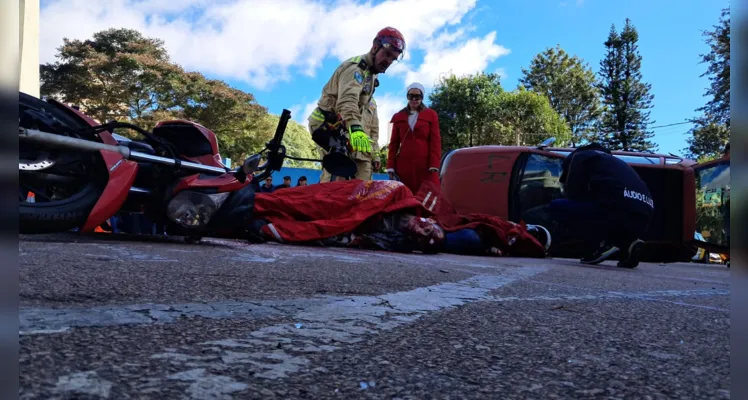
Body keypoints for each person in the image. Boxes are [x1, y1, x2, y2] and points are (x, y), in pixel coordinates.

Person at [308, 27, 405, 182]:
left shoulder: (370, 74)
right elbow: (347, 100)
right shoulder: (356, 69)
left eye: (393, 59)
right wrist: (355, 127)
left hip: (343, 124)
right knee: (338, 172)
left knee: (359, 176)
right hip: (327, 124)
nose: (388, 61)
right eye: (386, 54)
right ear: (375, 46)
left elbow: (370, 123)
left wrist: (374, 152)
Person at [550, 143, 654, 267]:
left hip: (616, 212)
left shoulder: (580, 157)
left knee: (557, 206)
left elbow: (574, 193)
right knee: (606, 209)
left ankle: (597, 247)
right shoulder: (615, 162)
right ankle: (628, 245)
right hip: (644, 216)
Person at [386, 82, 442, 194]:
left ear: (422, 97)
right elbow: (393, 143)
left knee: (428, 195)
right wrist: (391, 166)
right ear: (407, 97)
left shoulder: (431, 115)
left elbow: (435, 141)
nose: (414, 99)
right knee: (405, 197)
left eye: (418, 96)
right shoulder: (398, 117)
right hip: (403, 166)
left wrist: (434, 164)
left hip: (426, 166)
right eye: (411, 96)